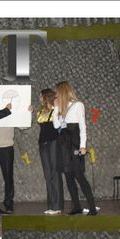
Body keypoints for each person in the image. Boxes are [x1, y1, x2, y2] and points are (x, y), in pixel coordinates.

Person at [53, 81, 97, 215]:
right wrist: (56, 108)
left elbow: (83, 126)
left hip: (74, 142)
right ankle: (76, 206)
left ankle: (92, 208)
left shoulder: (78, 105)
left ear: (62, 92)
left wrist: (83, 146)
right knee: (68, 176)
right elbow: (56, 126)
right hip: (63, 143)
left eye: (57, 92)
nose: (55, 95)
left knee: (79, 175)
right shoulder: (61, 107)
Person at [35, 88, 64, 215]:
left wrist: (56, 108)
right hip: (43, 143)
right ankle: (51, 205)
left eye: (40, 96)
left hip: (54, 142)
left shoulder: (56, 110)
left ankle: (57, 206)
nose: (39, 98)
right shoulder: (40, 111)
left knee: (55, 173)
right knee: (47, 174)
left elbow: (59, 126)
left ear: (45, 97)